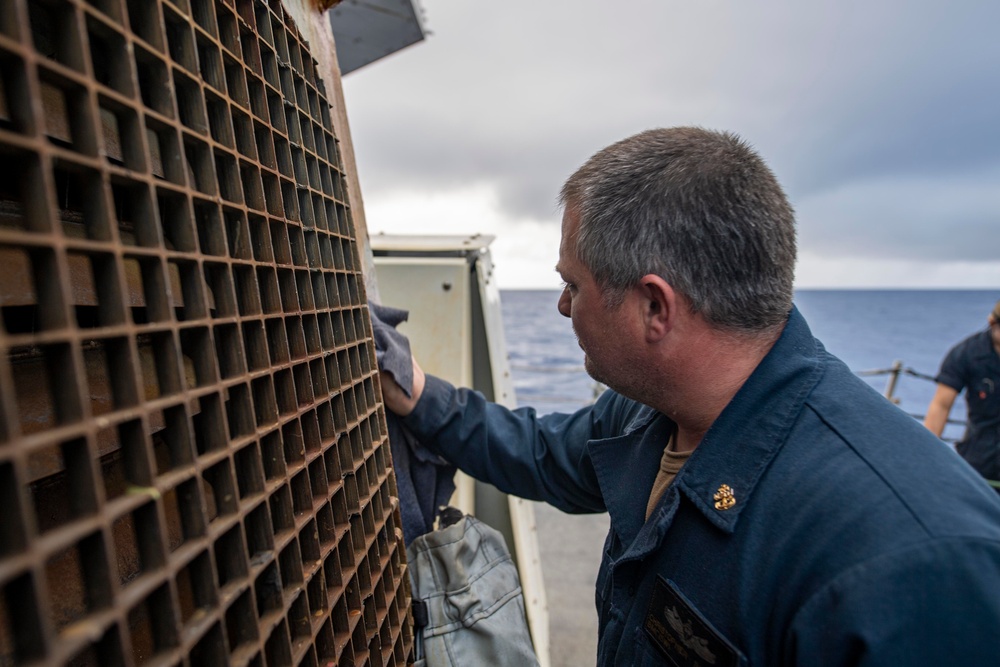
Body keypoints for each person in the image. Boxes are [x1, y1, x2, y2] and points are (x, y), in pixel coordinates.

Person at [380, 127, 1000, 665]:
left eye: (573, 284)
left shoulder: (917, 562)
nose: (562, 306)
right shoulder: (653, 411)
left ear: (655, 306)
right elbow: (547, 454)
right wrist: (419, 395)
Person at [924, 299, 1000, 484]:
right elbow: (941, 405)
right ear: (992, 323)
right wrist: (925, 457)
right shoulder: (966, 354)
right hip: (980, 460)